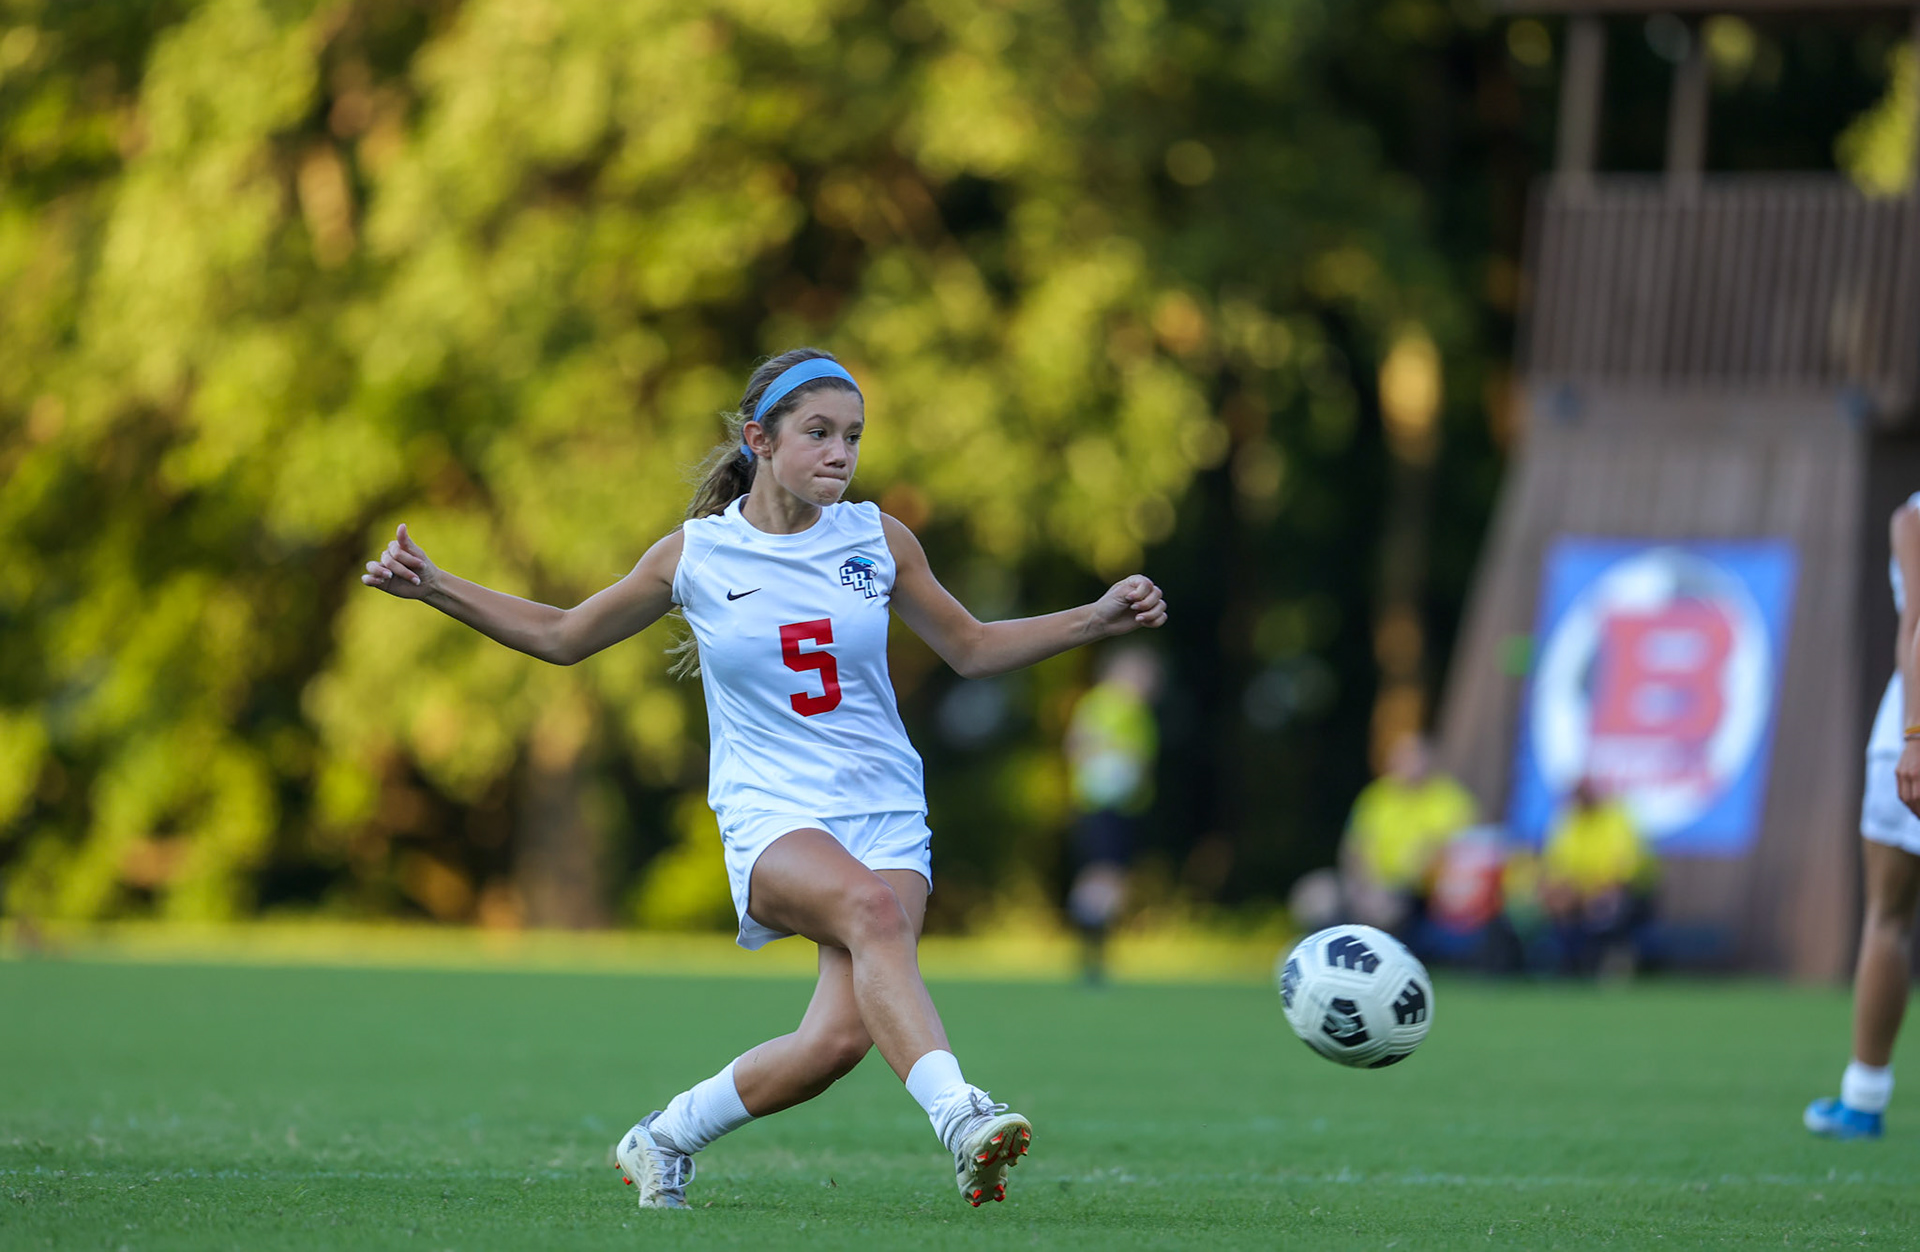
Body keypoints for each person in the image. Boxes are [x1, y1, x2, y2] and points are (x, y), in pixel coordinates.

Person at [361, 349, 1167, 1206]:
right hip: (771, 816)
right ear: (760, 440)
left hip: (887, 814)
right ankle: (964, 1120)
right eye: (818, 433)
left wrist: (1097, 617)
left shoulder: (879, 537)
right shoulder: (697, 556)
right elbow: (564, 635)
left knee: (832, 1046)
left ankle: (663, 1137)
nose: (840, 453)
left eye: (852, 436)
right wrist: (436, 586)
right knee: (871, 912)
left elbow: (969, 649)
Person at [1807, 493, 1920, 1140]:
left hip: (1906, 731)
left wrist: (1914, 735)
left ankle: (1864, 1097)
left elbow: (1917, 626)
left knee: (1890, 916)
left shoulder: (1912, 519)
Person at [1062, 645, 1162, 983]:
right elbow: (1079, 745)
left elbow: (1142, 761)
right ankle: (1092, 958)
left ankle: (1093, 957)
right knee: (1105, 878)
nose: (1148, 682)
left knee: (1107, 877)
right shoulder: (1104, 703)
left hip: (1123, 807)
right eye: (1141, 673)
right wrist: (1108, 768)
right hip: (1101, 806)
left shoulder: (1139, 712)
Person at [1335, 733, 1478, 940]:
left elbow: (1465, 854)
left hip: (1423, 893)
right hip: (1372, 886)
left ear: (1430, 761)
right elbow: (1353, 849)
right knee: (1314, 896)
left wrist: (1422, 867)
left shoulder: (1451, 799)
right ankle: (1319, 947)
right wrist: (1362, 888)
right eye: (1403, 758)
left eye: (1415, 758)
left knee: (1386, 908)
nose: (1410, 765)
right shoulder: (1376, 797)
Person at [1536, 776, 1654, 977]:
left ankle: (1612, 962)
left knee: (1607, 905)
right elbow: (1556, 866)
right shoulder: (1569, 822)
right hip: (1583, 891)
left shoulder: (1617, 819)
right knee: (1556, 903)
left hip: (1626, 893)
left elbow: (1624, 871)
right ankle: (1567, 965)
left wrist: (1595, 890)